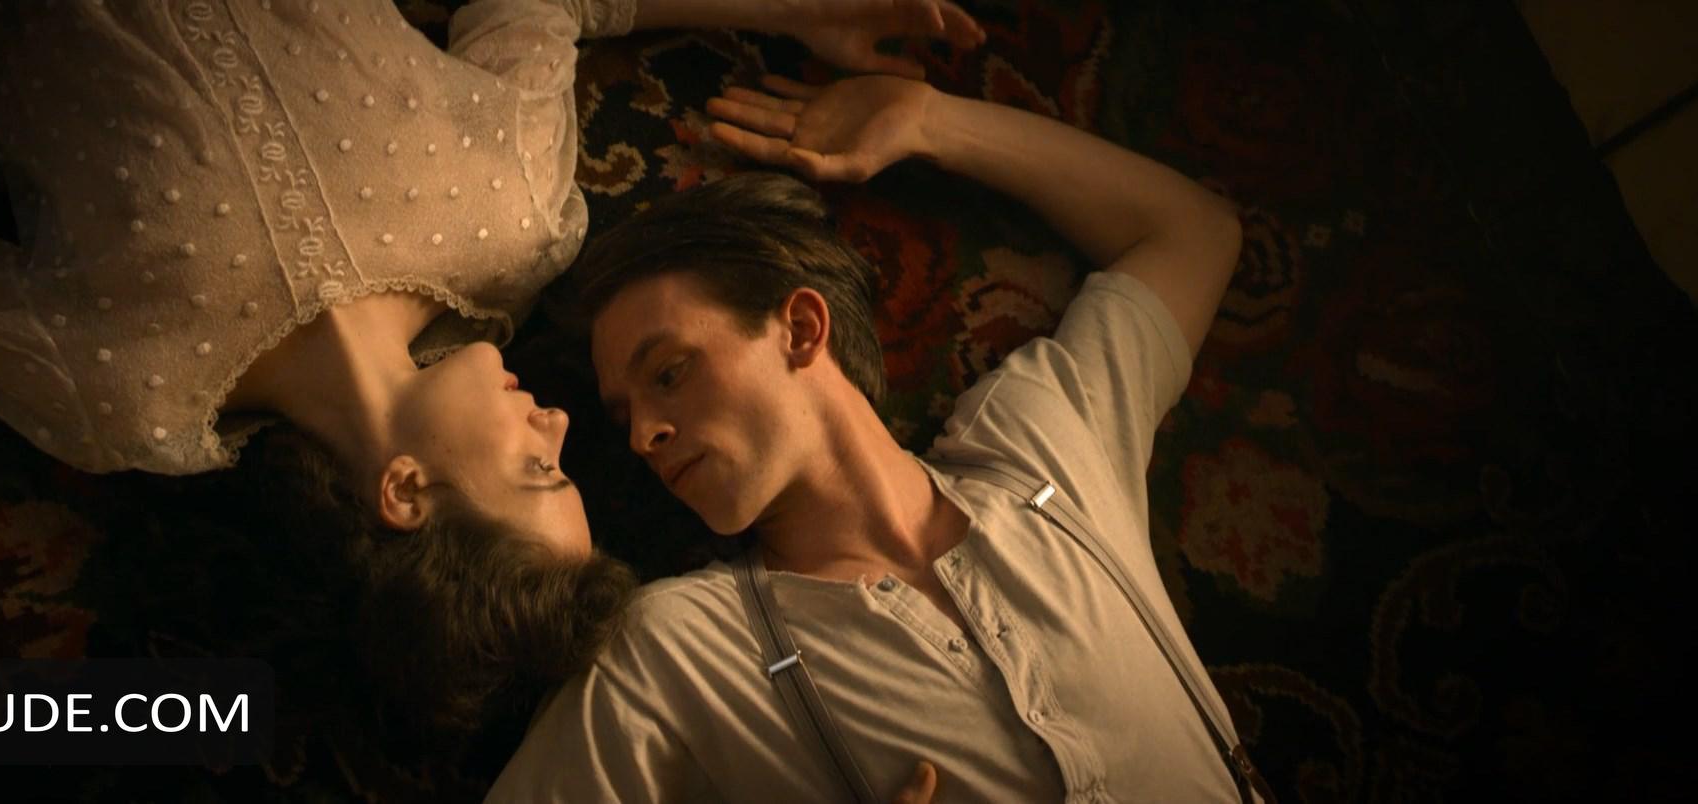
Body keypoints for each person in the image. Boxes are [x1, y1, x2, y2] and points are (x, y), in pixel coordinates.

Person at [0, 0, 984, 744]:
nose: (561, 422)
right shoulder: (519, 227)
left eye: (538, 472)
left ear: (406, 492)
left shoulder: (120, 402)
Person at [487, 69, 1258, 801]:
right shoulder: (669, 655)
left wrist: (929, 119)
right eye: (624, 417)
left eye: (669, 373)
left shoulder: (1040, 442)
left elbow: (1193, 229)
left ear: (800, 327)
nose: (643, 438)